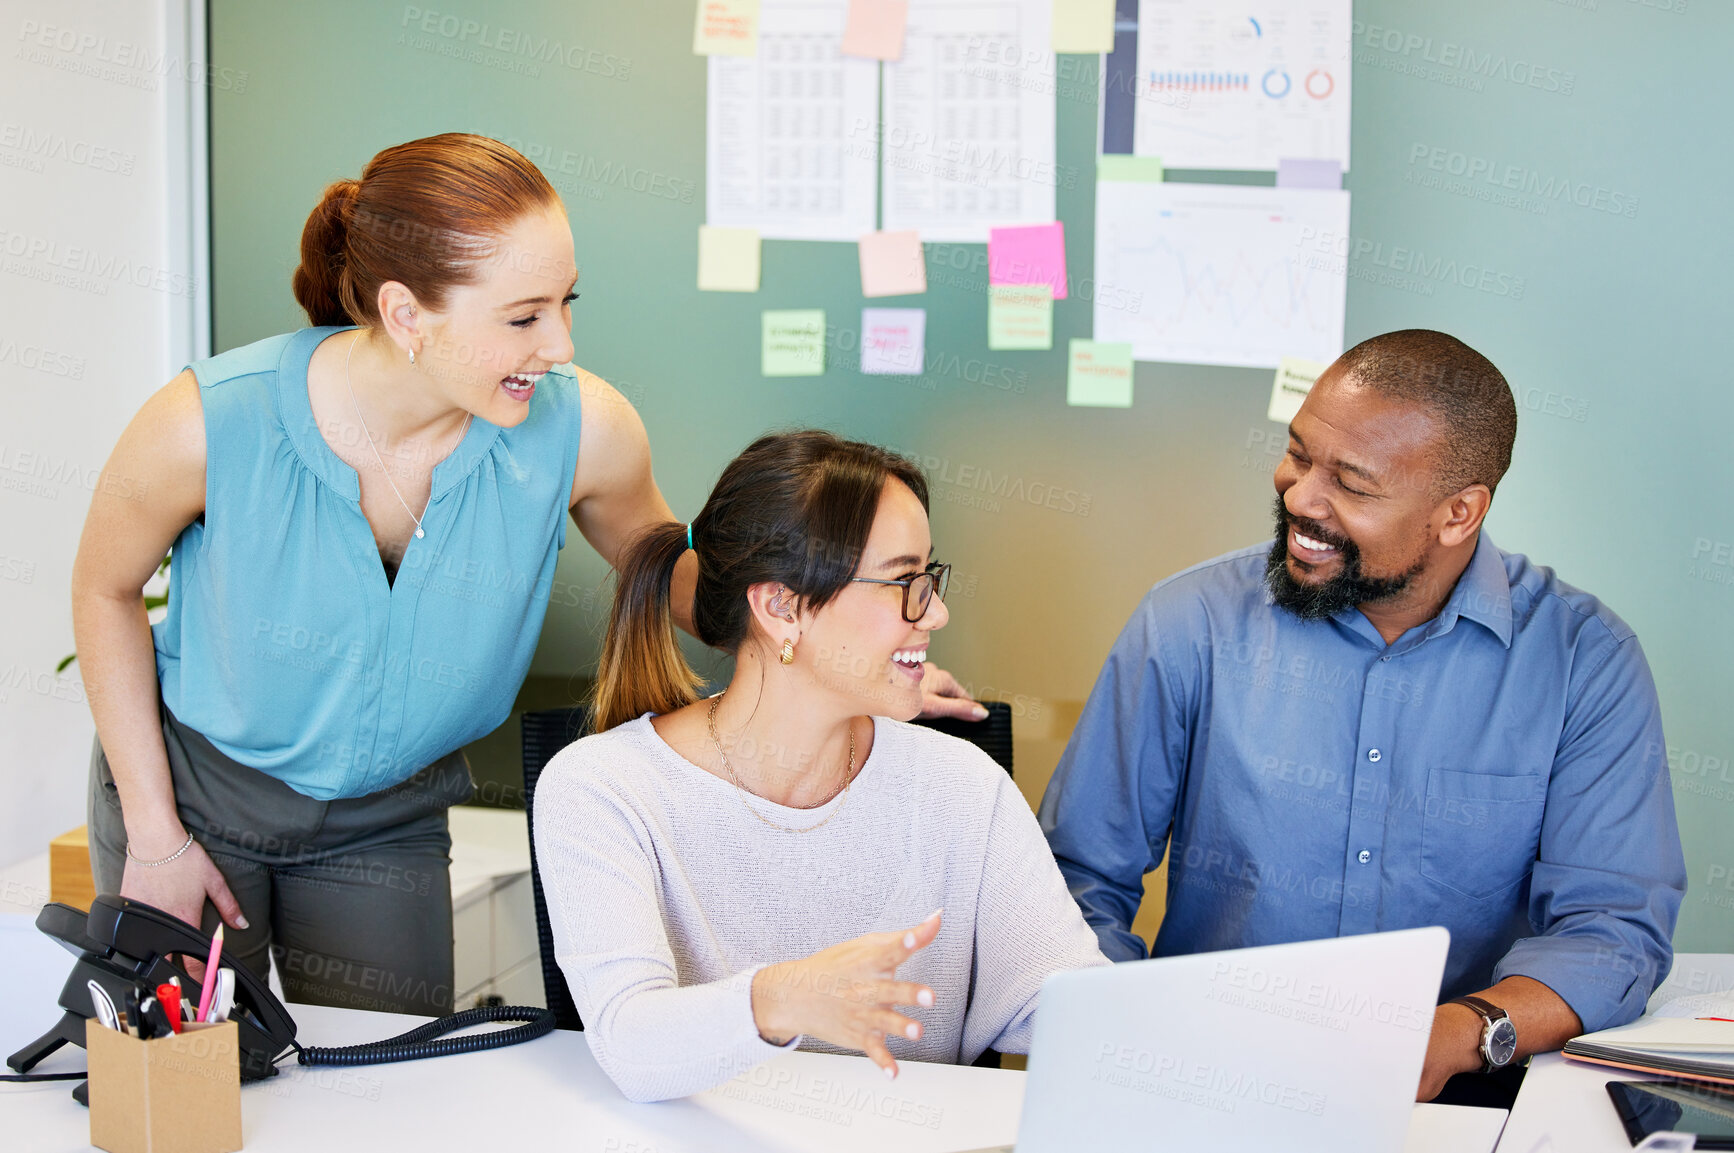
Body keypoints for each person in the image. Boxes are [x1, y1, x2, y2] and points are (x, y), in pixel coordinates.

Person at [72, 133, 982, 1015]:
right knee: (178, 1093)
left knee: (379, 1098)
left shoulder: (582, 431)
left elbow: (681, 582)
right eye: (523, 317)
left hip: (387, 820)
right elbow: (103, 590)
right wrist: (154, 833)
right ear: (404, 315)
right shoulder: (208, 422)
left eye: (565, 303)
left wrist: (859, 649)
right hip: (193, 794)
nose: (561, 344)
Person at [1038, 330, 1685, 1103]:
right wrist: (1134, 1043)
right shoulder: (1189, 622)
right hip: (1208, 1087)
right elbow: (1076, 880)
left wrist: (1461, 1033)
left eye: (1351, 483)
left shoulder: (1585, 660)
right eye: (1299, 453)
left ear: (1458, 513)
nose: (1301, 496)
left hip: (1466, 1100)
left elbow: (1612, 930)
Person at [533, 431, 1108, 1102]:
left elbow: (1070, 1005)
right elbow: (628, 1038)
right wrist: (787, 996)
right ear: (781, 608)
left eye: (930, 578)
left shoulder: (964, 788)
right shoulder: (603, 789)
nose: (937, 611)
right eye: (903, 582)